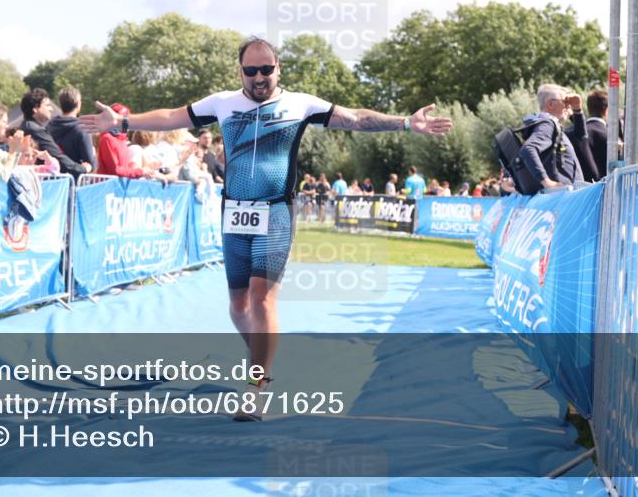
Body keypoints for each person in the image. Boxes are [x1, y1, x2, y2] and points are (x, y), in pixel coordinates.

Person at [80, 36, 451, 419]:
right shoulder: (222, 103)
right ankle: (265, 359)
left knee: (261, 300)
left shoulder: (299, 104)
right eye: (251, 70)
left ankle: (257, 385)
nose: (259, 77)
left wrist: (407, 123)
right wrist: (122, 122)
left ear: (279, 68)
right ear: (239, 71)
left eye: (266, 69)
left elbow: (355, 118)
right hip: (234, 214)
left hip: (275, 212)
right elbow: (171, 117)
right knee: (238, 307)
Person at [518, 84, 584, 189]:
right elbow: (528, 148)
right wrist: (546, 182)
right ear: (550, 104)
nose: (568, 106)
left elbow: (580, 136)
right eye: (565, 102)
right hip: (561, 197)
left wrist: (577, 110)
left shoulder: (551, 125)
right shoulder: (548, 124)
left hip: (563, 196)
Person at [20, 88, 91, 179]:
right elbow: (57, 155)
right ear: (35, 109)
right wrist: (81, 169)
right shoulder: (35, 129)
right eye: (47, 105)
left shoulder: (28, 126)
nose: (51, 108)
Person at [47, 86, 98, 173]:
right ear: (79, 104)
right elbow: (91, 165)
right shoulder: (82, 130)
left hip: (51, 181)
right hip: (75, 182)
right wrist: (93, 155)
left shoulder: (48, 127)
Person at [96, 104, 145, 178]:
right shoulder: (107, 139)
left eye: (126, 119)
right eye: (122, 119)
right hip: (108, 188)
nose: (125, 122)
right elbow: (115, 170)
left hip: (119, 187)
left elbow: (124, 169)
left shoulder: (122, 140)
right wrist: (140, 172)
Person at [585, 89, 609, 180]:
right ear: (607, 110)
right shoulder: (610, 136)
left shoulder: (572, 133)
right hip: (605, 188)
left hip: (579, 190)